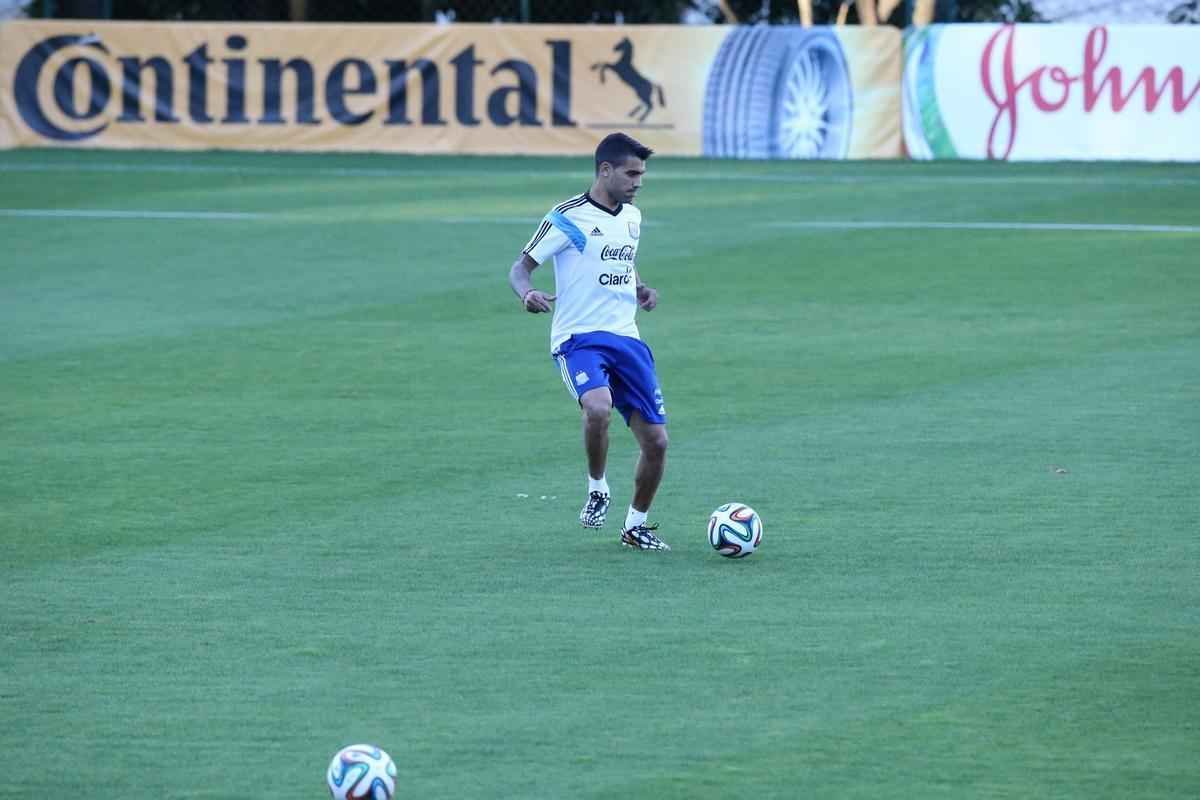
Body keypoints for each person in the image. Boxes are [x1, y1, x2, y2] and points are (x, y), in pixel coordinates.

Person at [507, 132, 670, 551]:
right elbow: (520, 268)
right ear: (605, 170)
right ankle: (598, 487)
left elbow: (623, 262)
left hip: (627, 339)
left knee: (657, 443)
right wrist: (527, 293)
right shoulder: (567, 218)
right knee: (598, 408)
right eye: (632, 173)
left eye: (642, 174)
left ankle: (636, 526)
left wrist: (641, 288)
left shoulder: (632, 217)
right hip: (579, 339)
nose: (638, 182)